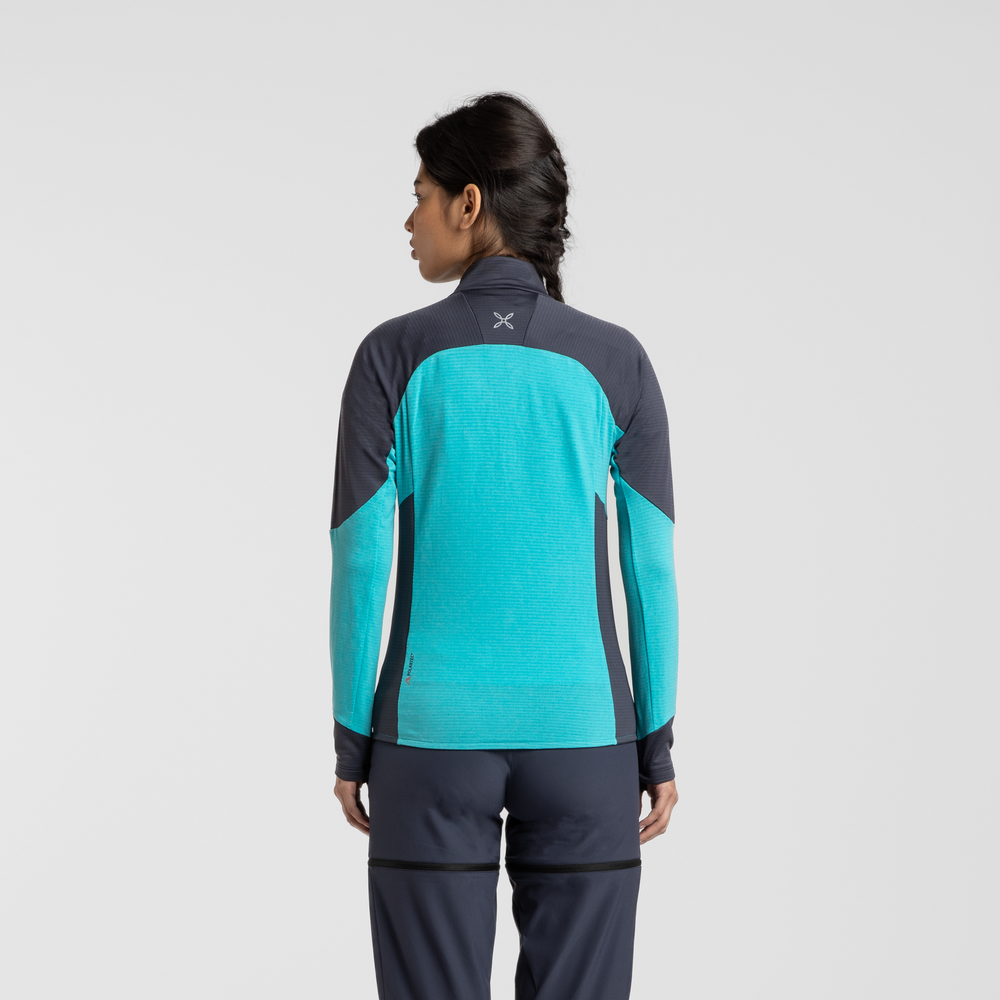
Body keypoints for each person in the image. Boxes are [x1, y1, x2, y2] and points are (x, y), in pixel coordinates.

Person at [329, 93, 679, 1000]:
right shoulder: (616, 361)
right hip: (587, 736)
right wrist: (655, 745)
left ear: (470, 203)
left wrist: (352, 741)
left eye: (420, 195)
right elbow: (649, 567)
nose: (409, 220)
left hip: (428, 737)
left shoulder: (391, 358)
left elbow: (361, 560)